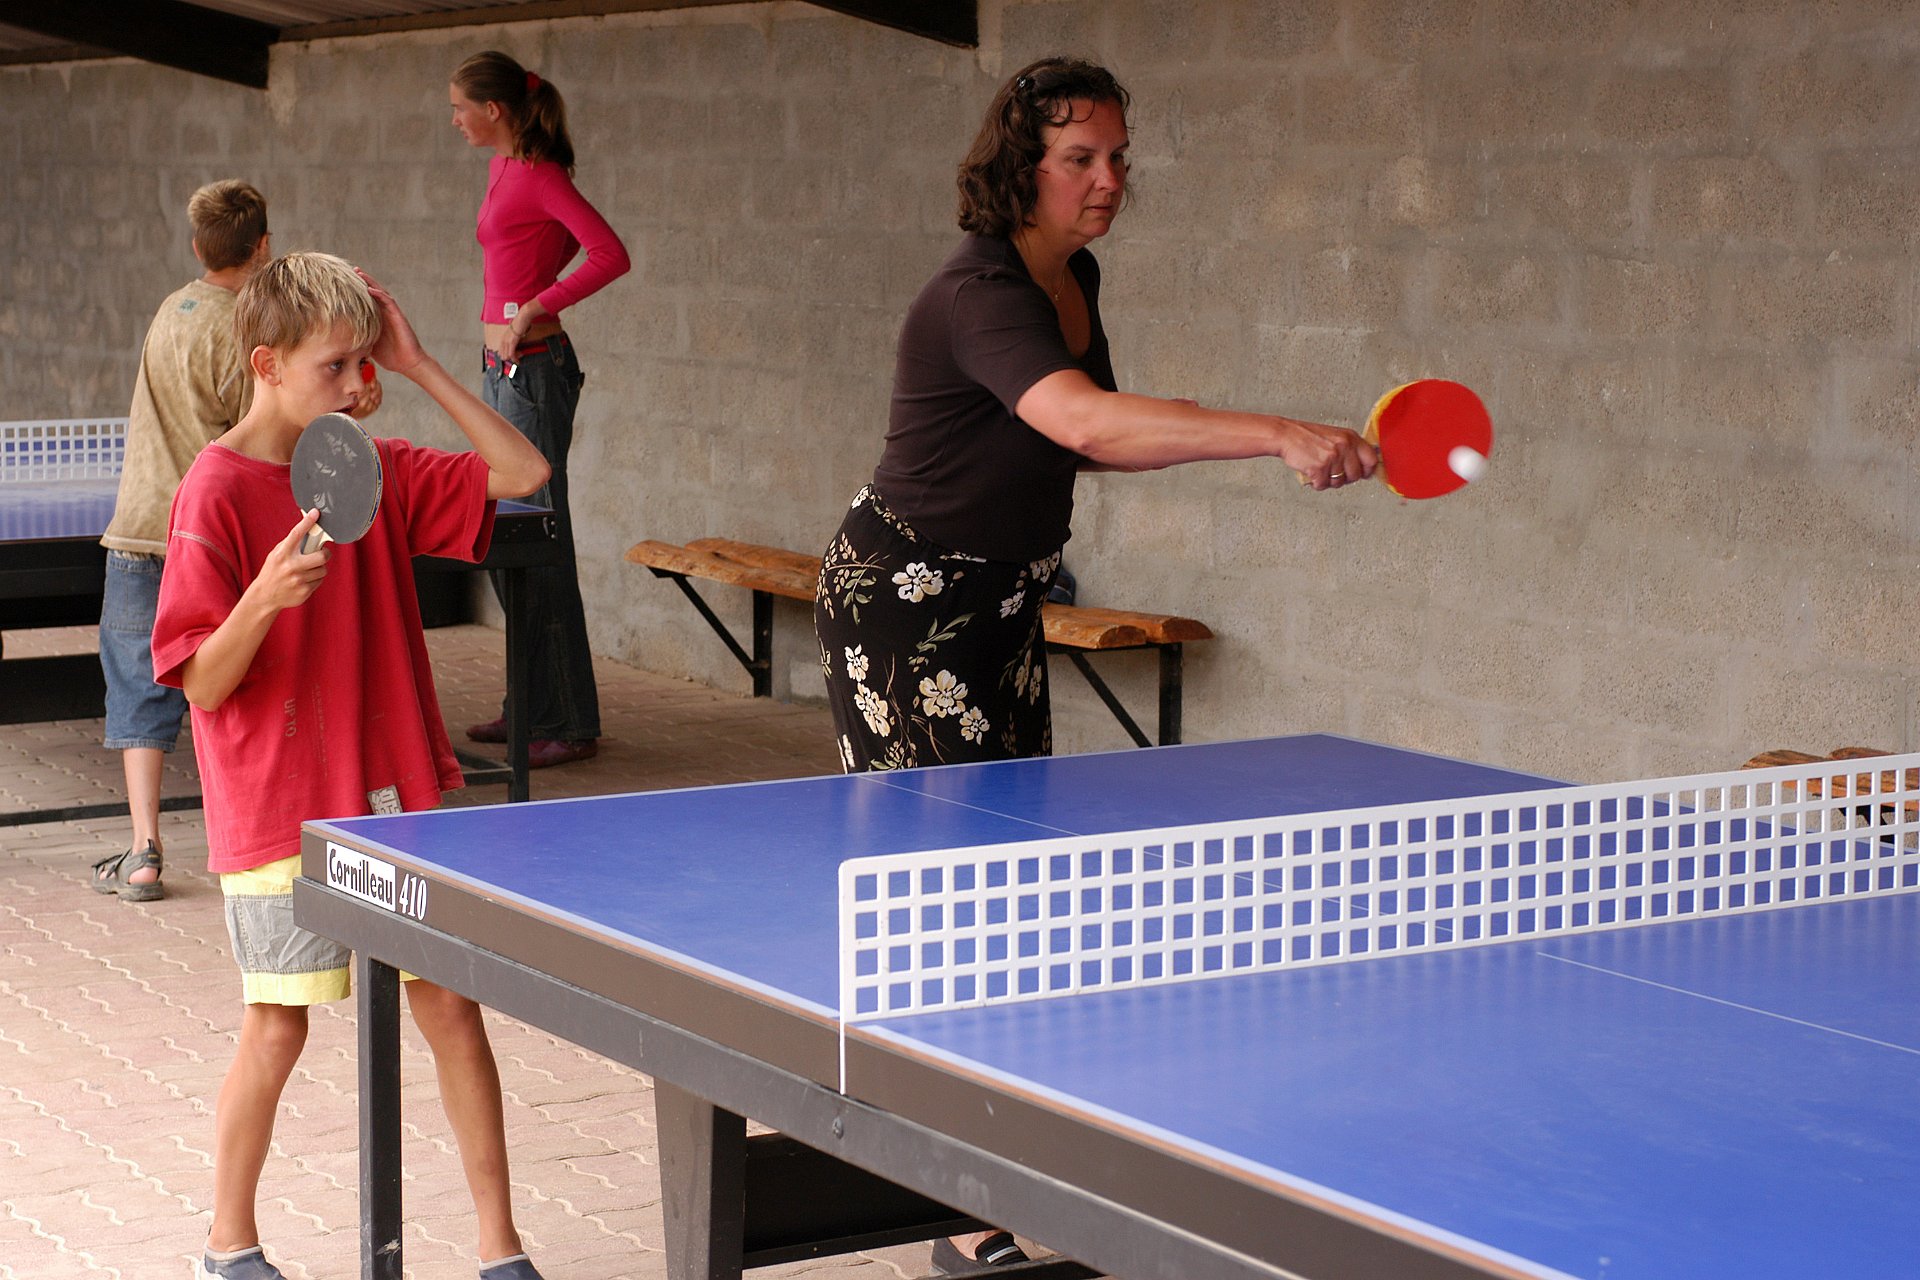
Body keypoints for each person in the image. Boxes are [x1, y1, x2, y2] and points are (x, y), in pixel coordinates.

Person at [811, 58, 1379, 1270]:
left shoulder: (1073, 278)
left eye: (1119, 155)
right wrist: (1272, 430)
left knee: (1013, 875)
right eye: (1082, 158)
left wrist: (1254, 443)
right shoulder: (979, 288)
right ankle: (957, 1199)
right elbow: (1079, 417)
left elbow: (1094, 440)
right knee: (947, 893)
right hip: (905, 605)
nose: (1111, 178)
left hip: (1003, 602)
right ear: (1022, 168)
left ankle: (1003, 1152)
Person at [151, 252, 553, 1280]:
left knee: (450, 1008)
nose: (355, 385)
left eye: (363, 363)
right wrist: (262, 598)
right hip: (278, 808)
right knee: (277, 1027)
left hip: (396, 796)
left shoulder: (369, 468)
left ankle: (500, 1249)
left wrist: (417, 363)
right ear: (267, 364)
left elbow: (523, 472)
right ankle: (228, 1244)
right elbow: (202, 683)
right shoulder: (213, 489)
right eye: (335, 366)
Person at [448, 49, 630, 769]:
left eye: (460, 108)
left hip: (532, 372)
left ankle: (566, 720)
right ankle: (530, 704)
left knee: (537, 536)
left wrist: (534, 308)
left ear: (493, 109)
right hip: (502, 372)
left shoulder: (541, 175)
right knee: (505, 533)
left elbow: (609, 253)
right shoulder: (503, 166)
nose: (455, 120)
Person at [91, 180, 271, 902]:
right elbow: (255, 441)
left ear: (197, 247)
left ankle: (143, 850)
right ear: (263, 246)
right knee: (222, 689)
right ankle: (244, 836)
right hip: (204, 535)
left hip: (136, 528)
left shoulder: (172, 308)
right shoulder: (248, 333)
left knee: (138, 691)